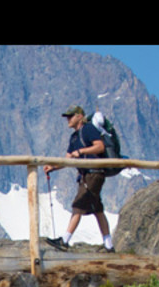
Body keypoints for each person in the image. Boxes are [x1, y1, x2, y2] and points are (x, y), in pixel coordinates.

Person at [44, 105, 115, 253]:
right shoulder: (74, 137)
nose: (68, 119)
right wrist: (53, 167)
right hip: (86, 175)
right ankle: (109, 245)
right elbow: (68, 159)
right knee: (97, 209)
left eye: (71, 116)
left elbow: (99, 147)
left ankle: (65, 240)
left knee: (78, 204)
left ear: (79, 116)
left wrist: (81, 151)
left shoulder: (88, 129)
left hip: (94, 173)